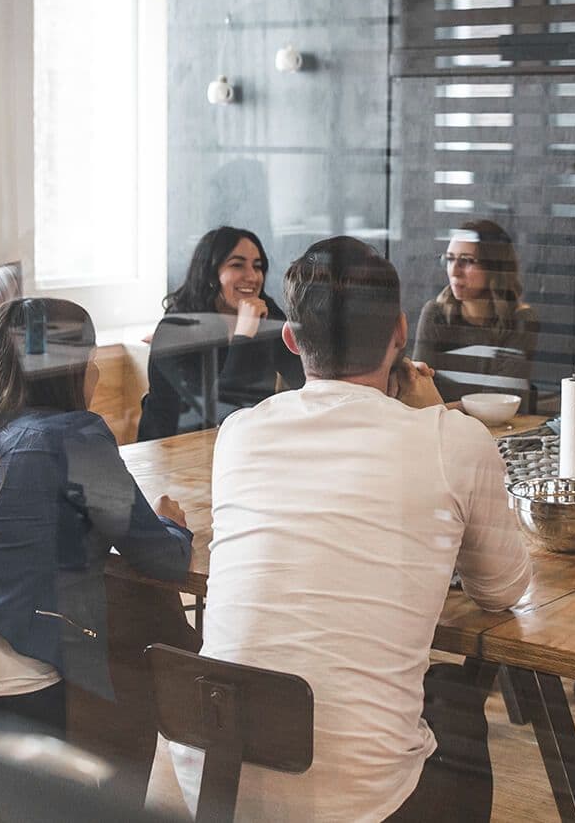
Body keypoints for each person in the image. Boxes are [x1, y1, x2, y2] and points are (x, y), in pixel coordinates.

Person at [171, 236, 532, 823]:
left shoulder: (240, 433)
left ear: (291, 338)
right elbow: (503, 591)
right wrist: (433, 414)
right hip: (362, 805)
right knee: (458, 706)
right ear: (400, 331)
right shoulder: (454, 440)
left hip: (216, 785)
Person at [0, 298, 194, 737]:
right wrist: (173, 524)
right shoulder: (75, 438)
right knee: (145, 633)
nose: (95, 374)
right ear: (72, 368)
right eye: (92, 361)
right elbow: (163, 560)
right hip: (9, 686)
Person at [138, 226, 306, 441]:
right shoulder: (175, 330)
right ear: (210, 274)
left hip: (244, 442)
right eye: (237, 265)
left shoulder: (266, 312)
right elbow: (221, 411)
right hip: (173, 452)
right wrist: (245, 336)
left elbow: (304, 378)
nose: (252, 276)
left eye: (258, 266)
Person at [413, 220, 539, 404]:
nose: (454, 271)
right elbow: (418, 388)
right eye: (449, 259)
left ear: (494, 267)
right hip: (441, 427)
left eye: (466, 261)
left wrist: (442, 409)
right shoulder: (436, 314)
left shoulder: (520, 319)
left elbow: (500, 401)